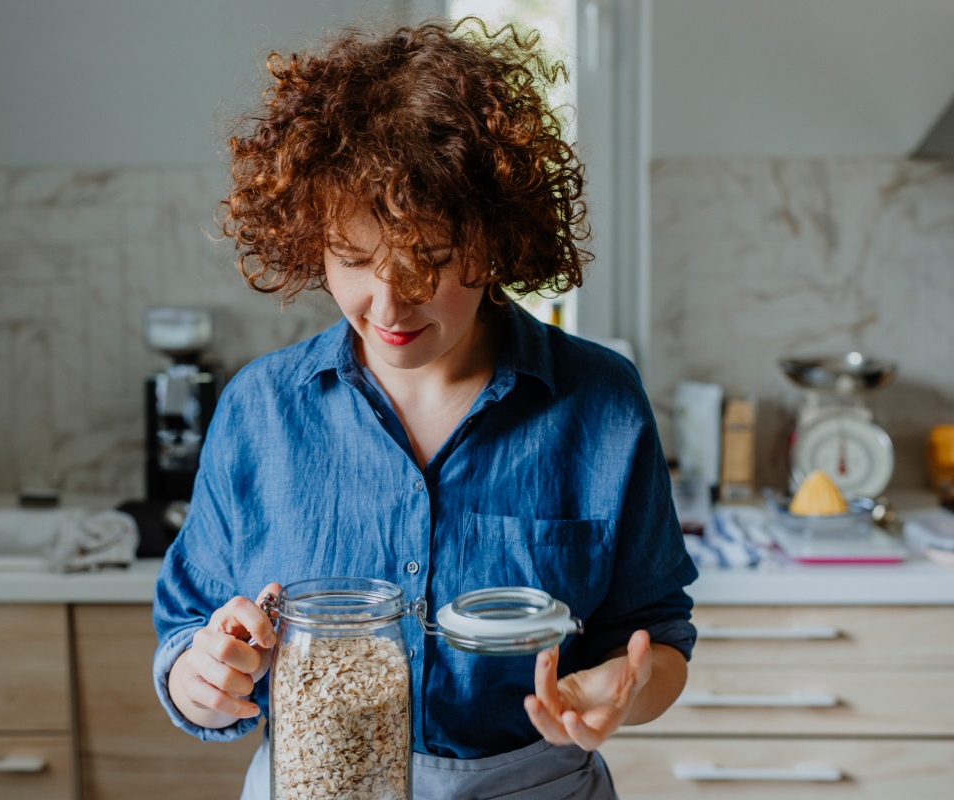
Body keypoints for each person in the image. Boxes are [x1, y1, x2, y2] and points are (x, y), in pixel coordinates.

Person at [154, 17, 697, 799]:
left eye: (431, 261)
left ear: (496, 238)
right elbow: (185, 630)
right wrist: (201, 678)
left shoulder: (600, 404)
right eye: (352, 260)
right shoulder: (261, 410)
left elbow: (658, 640)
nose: (389, 301)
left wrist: (617, 691)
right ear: (313, 243)